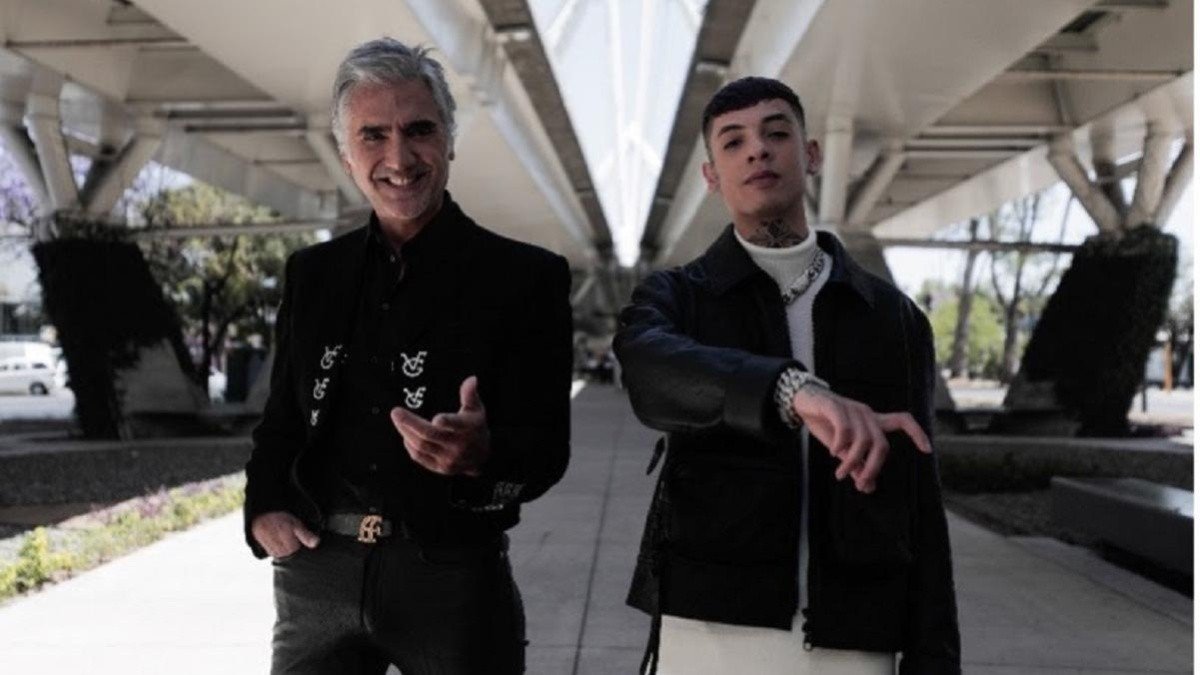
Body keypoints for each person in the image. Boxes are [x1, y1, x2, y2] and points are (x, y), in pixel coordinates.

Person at [243, 38, 572, 674]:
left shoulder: (526, 278)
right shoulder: (313, 274)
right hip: (316, 574)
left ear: (449, 140)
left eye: (419, 129)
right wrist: (264, 508)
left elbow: (548, 453)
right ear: (346, 155)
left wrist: (482, 455)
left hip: (453, 576)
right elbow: (282, 418)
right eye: (373, 135)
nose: (398, 157)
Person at [614, 77, 960, 674]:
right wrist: (791, 391)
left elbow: (922, 508)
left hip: (856, 631)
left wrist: (935, 659)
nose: (758, 150)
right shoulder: (679, 297)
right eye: (734, 142)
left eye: (776, 133)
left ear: (812, 154)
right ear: (711, 176)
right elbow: (647, 369)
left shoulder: (893, 318)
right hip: (709, 625)